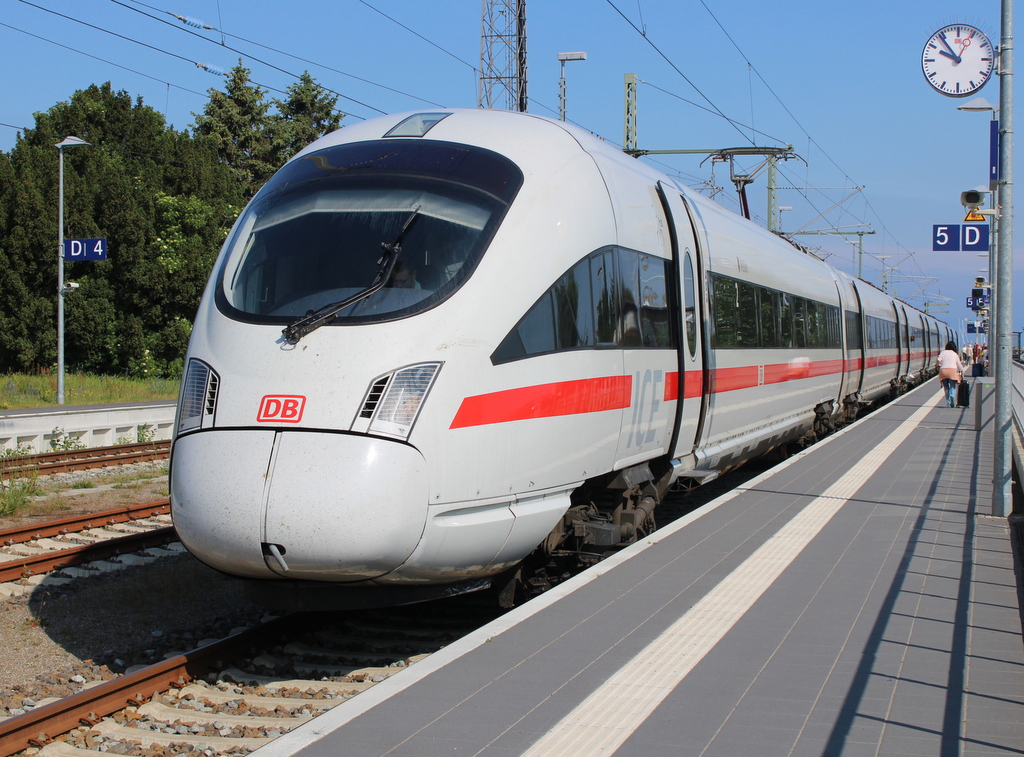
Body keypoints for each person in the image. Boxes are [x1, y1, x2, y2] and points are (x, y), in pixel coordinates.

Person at [936, 341, 965, 408]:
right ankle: (952, 396)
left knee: (946, 388)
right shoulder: (955, 354)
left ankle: (948, 403)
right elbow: (959, 365)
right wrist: (962, 372)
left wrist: (938, 366)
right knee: (953, 386)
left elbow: (938, 360)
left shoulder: (943, 352)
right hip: (952, 371)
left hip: (943, 371)